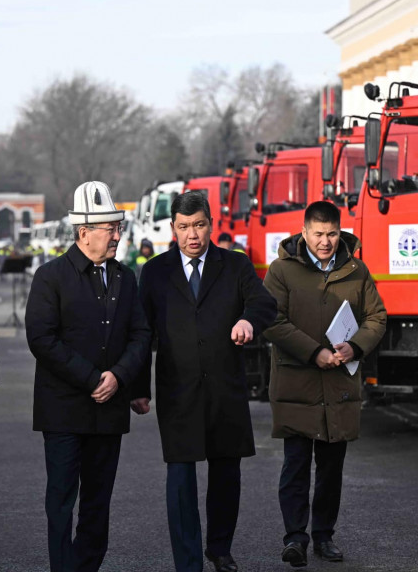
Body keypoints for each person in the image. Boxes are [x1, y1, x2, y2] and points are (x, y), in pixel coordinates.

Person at [136, 191, 277, 572]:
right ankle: (187, 560)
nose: (192, 235)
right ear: (172, 228)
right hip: (177, 389)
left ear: (211, 224)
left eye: (198, 225)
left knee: (226, 473)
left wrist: (249, 320)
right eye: (183, 227)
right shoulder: (154, 271)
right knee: (180, 478)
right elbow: (139, 332)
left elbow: (264, 303)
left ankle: (220, 548)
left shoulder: (234, 265)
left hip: (225, 388)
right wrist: (137, 389)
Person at [25, 181, 151, 572]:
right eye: (110, 229)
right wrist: (93, 378)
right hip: (63, 410)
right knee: (61, 499)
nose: (117, 236)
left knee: (98, 501)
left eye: (118, 228)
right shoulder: (50, 277)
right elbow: (41, 339)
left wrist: (118, 377)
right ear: (83, 233)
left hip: (108, 408)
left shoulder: (125, 277)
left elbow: (141, 334)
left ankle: (87, 566)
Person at [262, 201, 386, 568]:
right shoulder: (282, 270)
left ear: (339, 231)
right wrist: (313, 351)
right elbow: (271, 319)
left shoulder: (356, 270)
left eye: (332, 233)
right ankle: (294, 538)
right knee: (296, 466)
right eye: (318, 234)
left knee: (331, 469)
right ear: (304, 233)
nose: (326, 241)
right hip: (296, 384)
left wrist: (356, 345)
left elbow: (376, 316)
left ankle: (324, 536)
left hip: (338, 386)